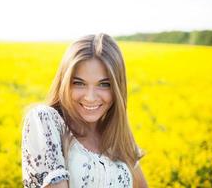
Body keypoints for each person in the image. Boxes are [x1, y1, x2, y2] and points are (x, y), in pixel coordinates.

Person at [21, 33, 148, 188]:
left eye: (104, 84)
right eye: (79, 83)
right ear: (65, 82)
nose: (90, 97)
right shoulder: (45, 121)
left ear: (117, 88)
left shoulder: (118, 137)